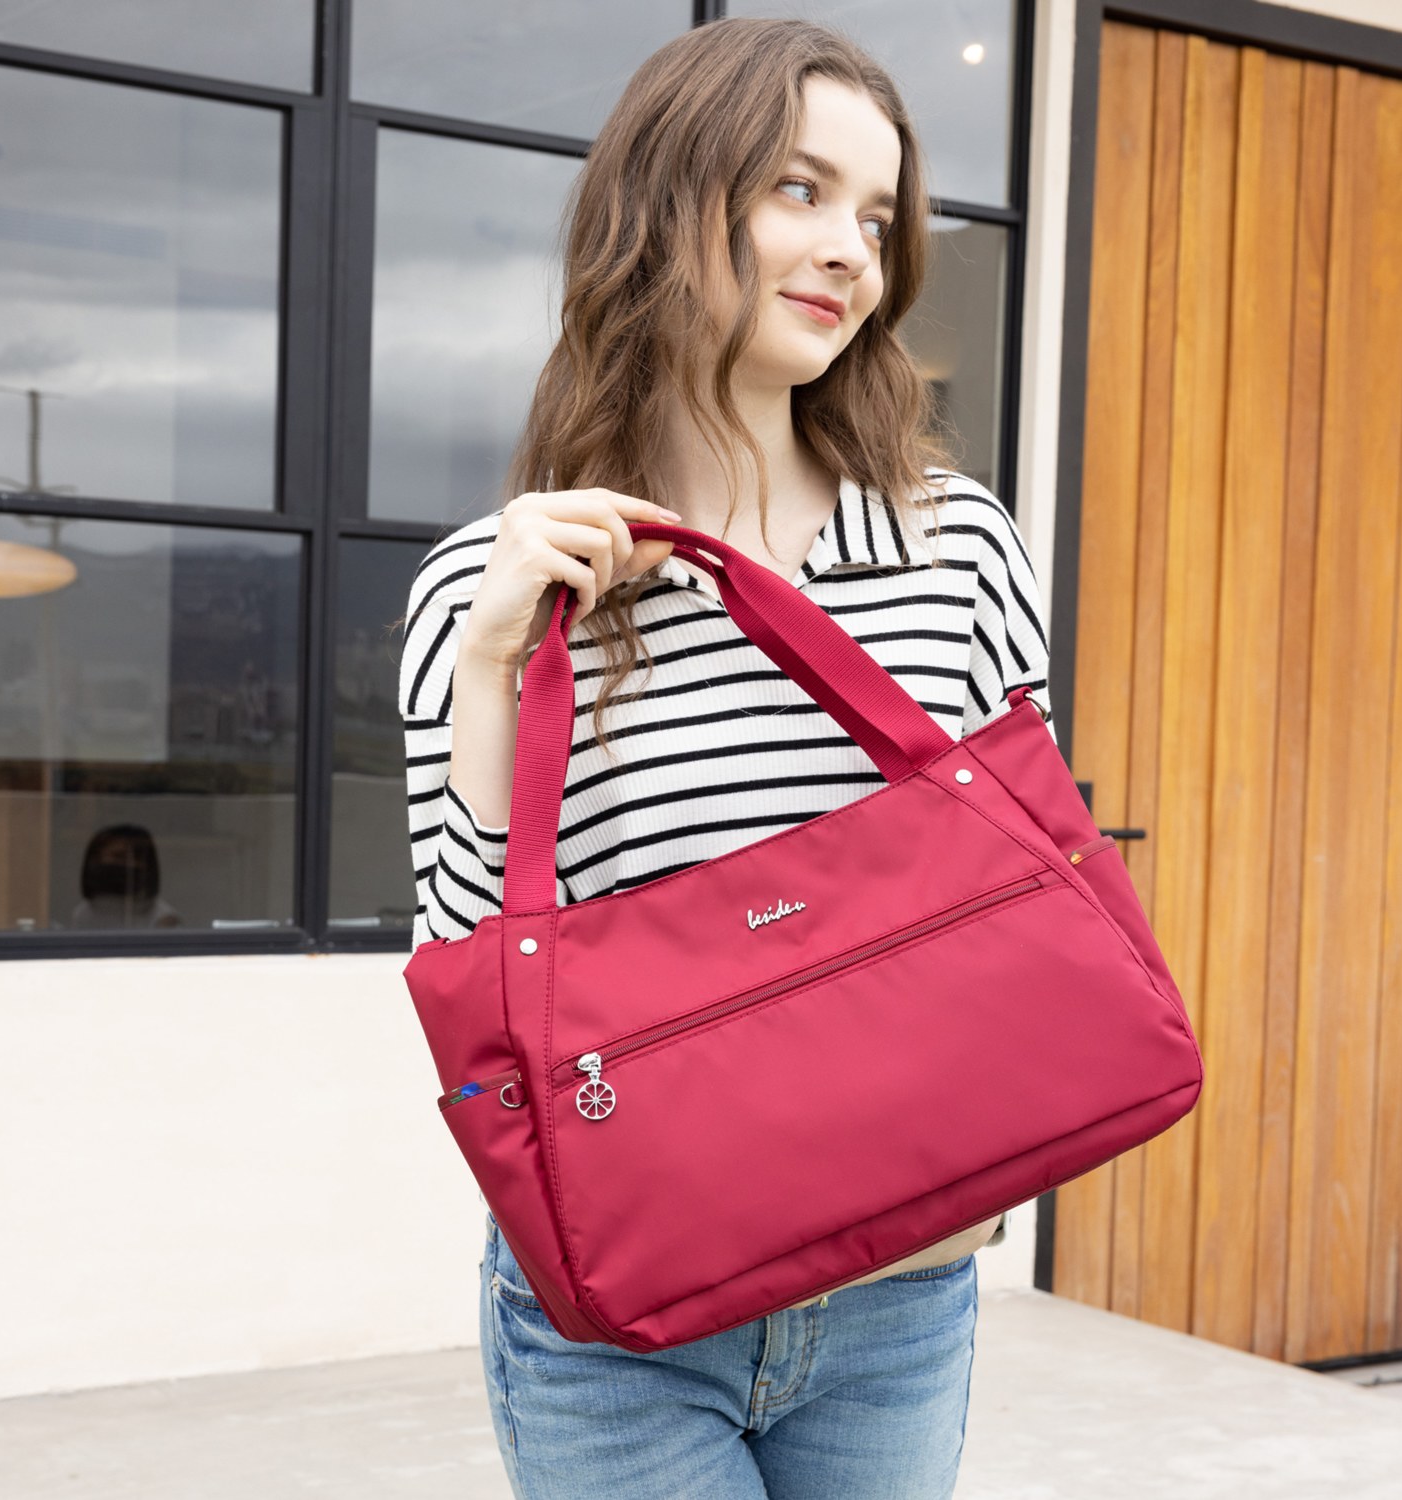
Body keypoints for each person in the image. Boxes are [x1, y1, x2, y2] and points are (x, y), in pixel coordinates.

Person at [397, 17, 1055, 1498]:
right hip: (623, 1321)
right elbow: (476, 975)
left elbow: (1028, 910)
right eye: (798, 190)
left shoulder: (957, 550)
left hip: (902, 1296)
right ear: (667, 200)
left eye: (876, 217)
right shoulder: (499, 589)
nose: (848, 252)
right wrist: (495, 663)